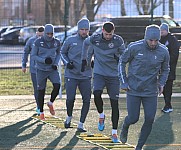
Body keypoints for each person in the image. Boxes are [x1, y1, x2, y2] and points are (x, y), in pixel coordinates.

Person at [119, 24, 170, 150]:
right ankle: (125, 126)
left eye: (156, 40)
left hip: (151, 91)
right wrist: (124, 81)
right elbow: (121, 62)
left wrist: (161, 83)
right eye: (151, 40)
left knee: (150, 118)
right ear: (146, 37)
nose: (153, 43)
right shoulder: (134, 47)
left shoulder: (163, 51)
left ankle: (139, 147)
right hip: (133, 89)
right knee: (133, 118)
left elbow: (165, 69)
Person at [81, 22, 125, 142]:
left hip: (113, 76)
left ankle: (114, 133)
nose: (108, 37)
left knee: (114, 104)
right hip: (99, 73)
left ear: (113, 31)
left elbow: (124, 55)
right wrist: (84, 60)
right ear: (102, 30)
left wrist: (119, 58)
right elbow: (85, 44)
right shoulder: (94, 39)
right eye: (106, 34)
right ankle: (101, 115)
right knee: (96, 94)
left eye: (110, 34)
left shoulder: (118, 40)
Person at [61, 18, 93, 132]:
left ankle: (81, 124)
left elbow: (98, 55)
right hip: (71, 75)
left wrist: (93, 61)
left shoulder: (92, 41)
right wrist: (66, 63)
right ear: (78, 29)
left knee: (87, 100)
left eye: (86, 29)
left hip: (86, 75)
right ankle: (69, 117)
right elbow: (62, 52)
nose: (84, 32)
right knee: (70, 99)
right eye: (82, 29)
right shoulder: (70, 40)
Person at [32, 24, 61, 120]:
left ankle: (51, 103)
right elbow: (33, 56)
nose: (49, 35)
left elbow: (58, 53)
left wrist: (55, 63)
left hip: (52, 69)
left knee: (57, 85)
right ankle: (41, 111)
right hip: (41, 69)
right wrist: (43, 60)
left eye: (51, 33)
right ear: (44, 33)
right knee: (41, 91)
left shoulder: (57, 42)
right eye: (47, 33)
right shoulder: (38, 42)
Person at [22, 26, 44, 115]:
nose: (40, 37)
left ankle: (44, 104)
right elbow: (25, 52)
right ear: (36, 33)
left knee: (43, 88)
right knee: (37, 88)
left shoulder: (48, 41)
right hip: (34, 69)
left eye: (41, 36)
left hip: (46, 69)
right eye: (39, 35)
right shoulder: (31, 41)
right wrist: (24, 65)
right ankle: (39, 107)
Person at [160, 23, 180, 113]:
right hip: (160, 68)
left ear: (166, 30)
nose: (161, 32)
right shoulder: (159, 39)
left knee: (168, 87)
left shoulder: (172, 40)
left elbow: (174, 55)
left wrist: (165, 62)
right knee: (163, 87)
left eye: (162, 31)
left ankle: (168, 105)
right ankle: (167, 105)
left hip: (169, 68)